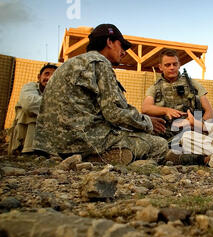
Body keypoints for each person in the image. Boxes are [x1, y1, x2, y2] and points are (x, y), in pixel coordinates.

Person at [33, 24, 168, 165]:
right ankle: (96, 158)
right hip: (85, 141)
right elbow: (114, 113)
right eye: (121, 46)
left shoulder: (68, 64)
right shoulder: (100, 63)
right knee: (160, 145)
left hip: (52, 145)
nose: (123, 52)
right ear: (109, 42)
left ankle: (82, 158)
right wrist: (146, 122)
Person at [141, 48, 213, 145]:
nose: (172, 67)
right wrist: (166, 110)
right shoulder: (155, 88)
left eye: (175, 64)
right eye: (167, 65)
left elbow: (209, 112)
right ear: (160, 67)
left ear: (179, 65)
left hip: (190, 132)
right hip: (164, 133)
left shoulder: (193, 84)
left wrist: (197, 125)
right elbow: (145, 108)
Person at [8, 63, 57, 155]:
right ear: (39, 77)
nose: (50, 78)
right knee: (35, 110)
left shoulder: (57, 93)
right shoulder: (29, 87)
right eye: (46, 74)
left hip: (47, 140)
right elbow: (30, 104)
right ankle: (27, 149)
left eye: (54, 75)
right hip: (24, 136)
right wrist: (57, 107)